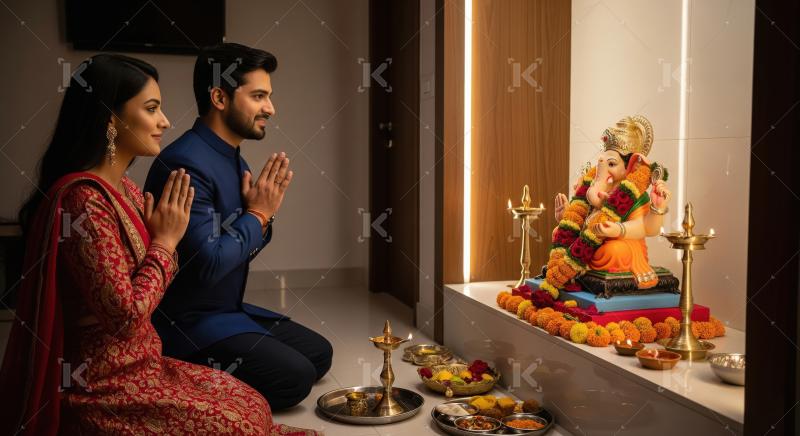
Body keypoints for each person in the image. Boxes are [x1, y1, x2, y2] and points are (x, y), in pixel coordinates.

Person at [0, 54, 318, 435]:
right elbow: (127, 315)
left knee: (253, 405)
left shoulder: (128, 191)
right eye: (151, 109)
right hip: (102, 379)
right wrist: (168, 243)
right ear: (111, 121)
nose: (165, 121)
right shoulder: (83, 201)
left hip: (145, 359)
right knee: (245, 420)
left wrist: (257, 216)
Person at [144, 43, 332, 410]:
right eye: (259, 96)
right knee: (295, 379)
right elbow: (208, 265)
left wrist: (263, 216)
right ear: (219, 97)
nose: (270, 108)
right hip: (190, 323)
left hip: (228, 311)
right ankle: (184, 375)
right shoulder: (186, 163)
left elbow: (241, 248)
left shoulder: (233, 157)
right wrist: (258, 215)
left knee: (320, 354)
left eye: (269, 96)